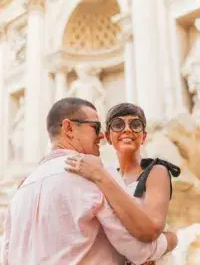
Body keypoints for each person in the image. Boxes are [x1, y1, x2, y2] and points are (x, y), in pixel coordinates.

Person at [2, 98, 177, 265]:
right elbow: (137, 249)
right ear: (69, 128)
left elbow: (6, 255)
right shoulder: (92, 173)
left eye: (135, 125)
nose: (100, 135)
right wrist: (171, 240)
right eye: (95, 127)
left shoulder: (22, 190)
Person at [65, 103, 181, 264]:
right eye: (118, 125)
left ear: (144, 136)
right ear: (107, 137)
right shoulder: (110, 174)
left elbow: (152, 229)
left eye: (135, 125)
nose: (127, 129)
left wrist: (99, 175)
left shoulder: (156, 171)